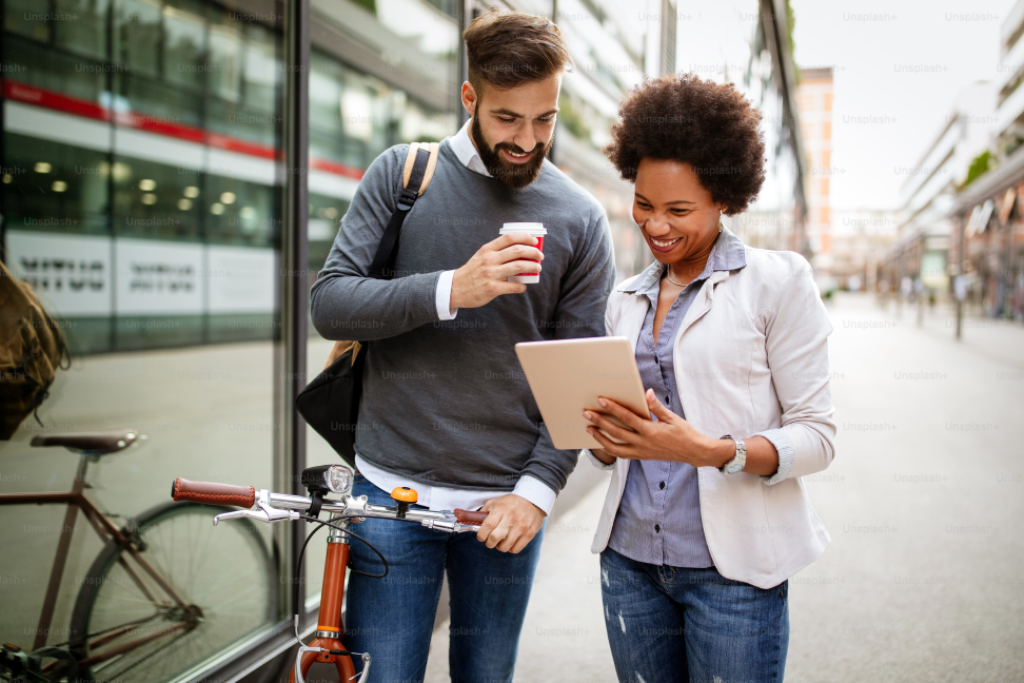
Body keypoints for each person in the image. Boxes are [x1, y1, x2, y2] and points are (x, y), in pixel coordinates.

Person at [309, 10, 615, 683]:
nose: (527, 140)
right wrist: (453, 288)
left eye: (545, 119)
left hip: (505, 506)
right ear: (470, 97)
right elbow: (329, 305)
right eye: (508, 118)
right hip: (389, 497)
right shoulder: (402, 177)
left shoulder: (580, 218)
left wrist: (537, 492)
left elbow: (578, 382)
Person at [582, 73, 836, 683]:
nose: (656, 226)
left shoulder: (778, 283)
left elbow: (818, 438)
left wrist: (711, 451)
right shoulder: (624, 299)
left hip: (734, 577)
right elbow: (612, 450)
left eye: (678, 210)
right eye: (644, 204)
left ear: (724, 199)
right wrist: (604, 439)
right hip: (630, 563)